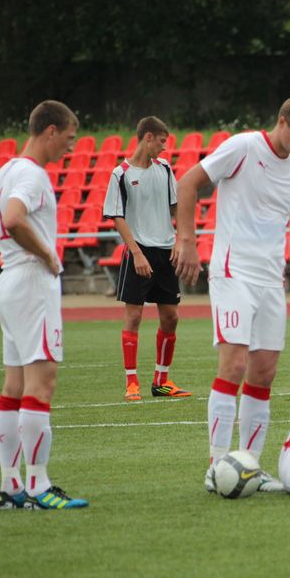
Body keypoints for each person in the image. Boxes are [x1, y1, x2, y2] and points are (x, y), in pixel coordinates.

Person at [172, 95, 290, 491]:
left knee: (263, 372)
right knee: (234, 365)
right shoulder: (243, 147)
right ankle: (216, 466)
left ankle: (250, 466)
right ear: (282, 120)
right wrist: (187, 240)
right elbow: (188, 182)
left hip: (272, 280)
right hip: (232, 271)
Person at [0, 100, 88, 510]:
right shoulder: (32, 174)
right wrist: (45, 255)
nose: (70, 146)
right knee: (41, 385)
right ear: (50, 131)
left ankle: (11, 487)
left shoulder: (6, 170)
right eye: (69, 137)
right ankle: (38, 485)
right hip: (31, 281)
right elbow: (12, 218)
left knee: (13, 387)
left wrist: (3, 250)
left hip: (9, 280)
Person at [103, 116, 191, 402]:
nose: (165, 148)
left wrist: (180, 240)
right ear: (148, 137)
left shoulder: (164, 169)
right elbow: (117, 217)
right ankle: (131, 383)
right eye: (163, 141)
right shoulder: (121, 173)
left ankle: (161, 381)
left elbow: (177, 206)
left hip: (166, 251)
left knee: (171, 317)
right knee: (135, 317)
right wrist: (137, 253)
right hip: (138, 251)